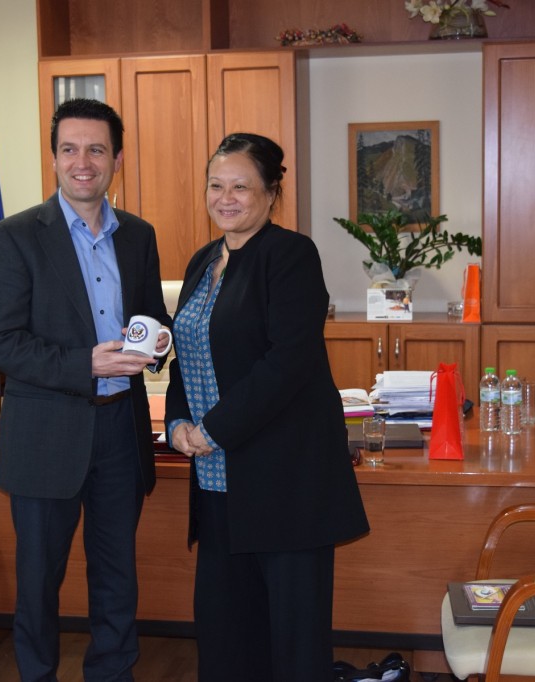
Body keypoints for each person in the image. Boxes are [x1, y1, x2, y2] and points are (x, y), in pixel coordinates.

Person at [0, 97, 172, 682]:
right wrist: (82, 363)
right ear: (54, 158)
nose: (82, 162)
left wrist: (159, 341)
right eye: (69, 149)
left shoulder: (138, 235)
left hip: (121, 430)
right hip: (46, 435)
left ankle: (112, 673)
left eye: (95, 149)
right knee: (39, 580)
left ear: (117, 158)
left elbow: (151, 317)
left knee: (117, 575)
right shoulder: (15, 236)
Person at [165, 133, 369, 682]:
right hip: (218, 485)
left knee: (293, 646)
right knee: (226, 636)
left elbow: (288, 363)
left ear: (271, 193)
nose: (225, 198)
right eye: (216, 185)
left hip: (284, 484)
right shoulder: (202, 261)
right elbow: (186, 351)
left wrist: (211, 429)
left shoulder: (290, 256)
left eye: (241, 187)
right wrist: (178, 422)